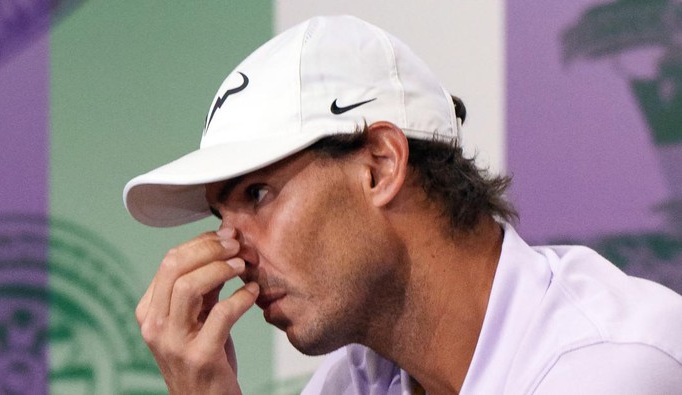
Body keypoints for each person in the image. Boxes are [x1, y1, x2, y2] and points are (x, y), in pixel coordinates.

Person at [123, 15, 682, 395]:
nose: (232, 252)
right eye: (223, 217)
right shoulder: (356, 381)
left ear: (380, 167)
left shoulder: (608, 366)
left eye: (257, 194)